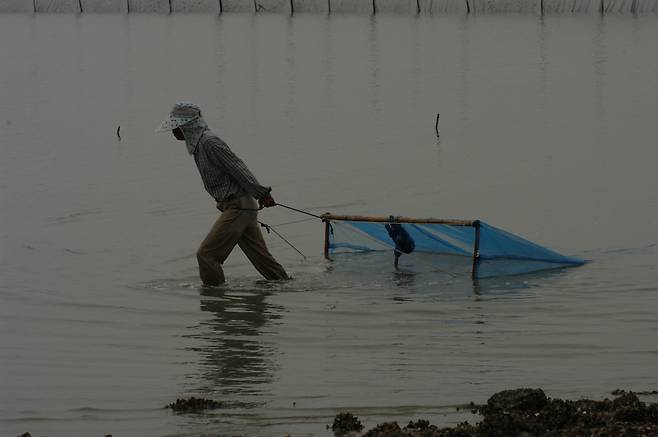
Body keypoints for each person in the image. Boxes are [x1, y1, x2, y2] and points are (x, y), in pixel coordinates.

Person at [157, 102, 289, 286]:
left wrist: (262, 194)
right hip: (238, 207)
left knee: (207, 255)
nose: (173, 132)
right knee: (264, 262)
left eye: (176, 127)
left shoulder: (209, 142)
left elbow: (238, 168)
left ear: (188, 127)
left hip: (238, 206)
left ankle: (215, 301)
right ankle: (287, 285)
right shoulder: (200, 146)